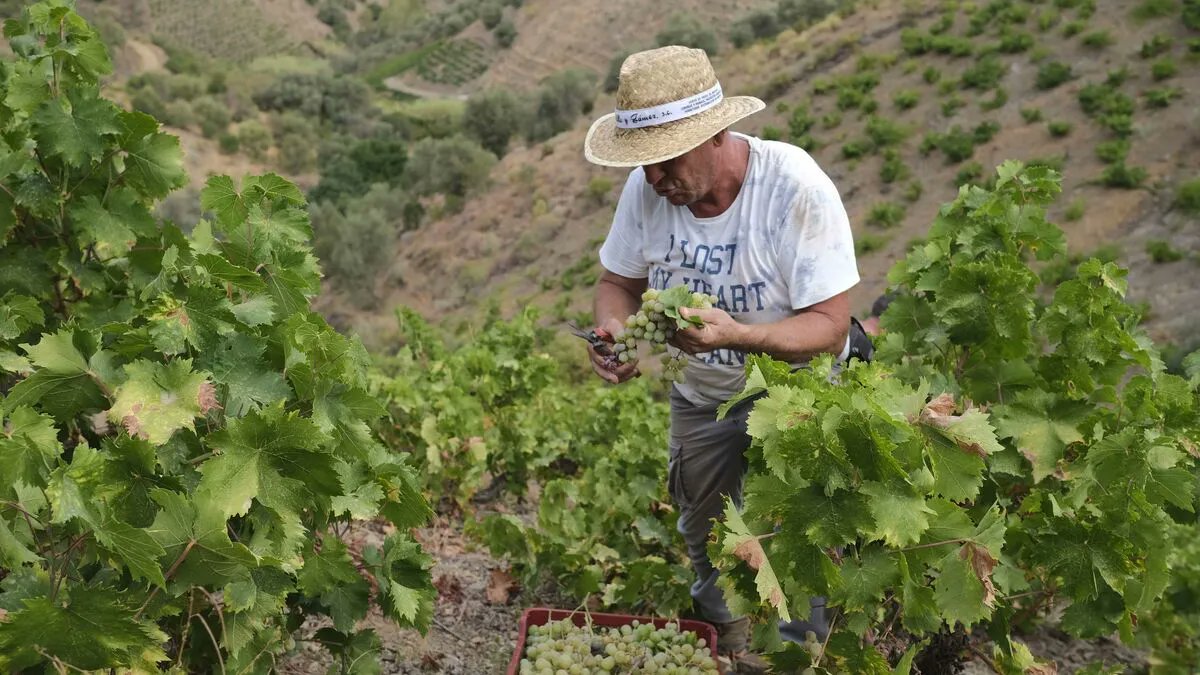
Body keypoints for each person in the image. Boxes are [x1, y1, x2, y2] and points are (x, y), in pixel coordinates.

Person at [582, 46, 860, 671]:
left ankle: (799, 656)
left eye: (666, 162)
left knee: (796, 542)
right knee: (706, 532)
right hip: (703, 397)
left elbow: (829, 326)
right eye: (644, 165)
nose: (654, 180)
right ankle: (731, 642)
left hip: (798, 401)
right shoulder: (647, 188)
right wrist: (613, 331)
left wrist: (735, 334)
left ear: (715, 136)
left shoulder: (793, 187)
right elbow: (617, 283)